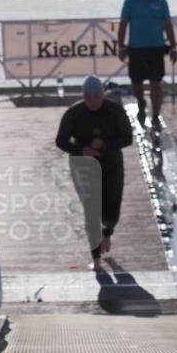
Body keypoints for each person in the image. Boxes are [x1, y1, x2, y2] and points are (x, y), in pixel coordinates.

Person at [55, 76, 133, 272]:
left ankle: (107, 232)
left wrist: (105, 145)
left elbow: (127, 138)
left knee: (112, 210)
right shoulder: (74, 113)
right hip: (83, 165)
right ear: (83, 96)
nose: (92, 101)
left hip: (111, 164)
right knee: (91, 211)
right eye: (87, 97)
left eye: (96, 96)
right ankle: (96, 259)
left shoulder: (115, 111)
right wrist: (83, 150)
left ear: (103, 95)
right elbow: (61, 141)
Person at [117, 0, 177, 129]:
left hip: (156, 48)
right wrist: (121, 46)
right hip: (136, 48)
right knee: (136, 82)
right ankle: (141, 102)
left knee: (156, 83)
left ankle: (156, 115)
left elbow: (168, 25)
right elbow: (123, 24)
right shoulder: (130, 1)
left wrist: (173, 46)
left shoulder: (161, 1)